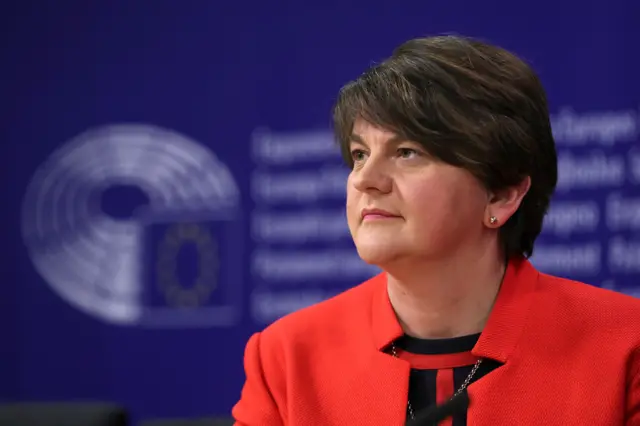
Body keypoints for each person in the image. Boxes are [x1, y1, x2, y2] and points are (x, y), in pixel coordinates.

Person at [232, 35, 640, 426]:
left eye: (407, 152)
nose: (365, 179)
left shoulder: (625, 347)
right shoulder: (286, 357)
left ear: (501, 194)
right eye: (360, 154)